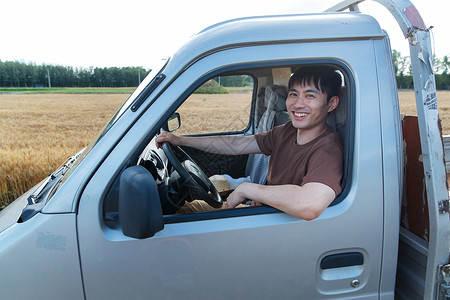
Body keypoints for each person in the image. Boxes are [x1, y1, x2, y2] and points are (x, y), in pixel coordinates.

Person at [156, 66, 343, 220]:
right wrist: (180, 140)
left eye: (310, 96)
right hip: (255, 210)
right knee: (177, 211)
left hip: (266, 221)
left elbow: (310, 205)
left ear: (332, 104)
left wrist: (249, 189)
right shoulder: (287, 131)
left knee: (171, 219)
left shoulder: (327, 150)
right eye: (293, 94)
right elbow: (236, 144)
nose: (297, 104)